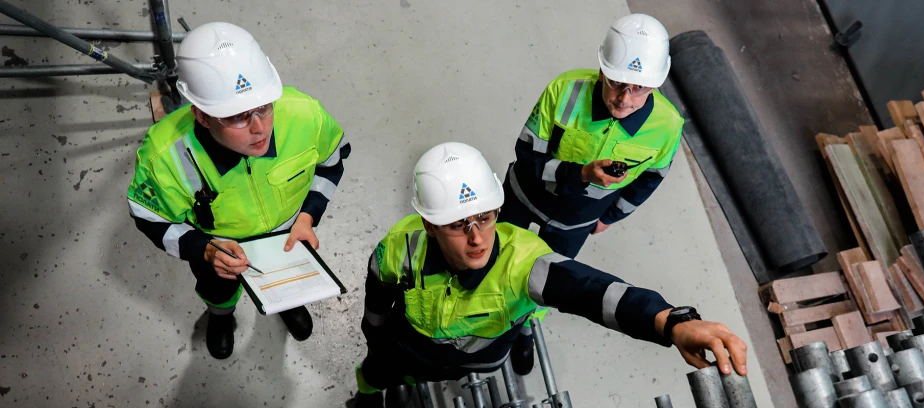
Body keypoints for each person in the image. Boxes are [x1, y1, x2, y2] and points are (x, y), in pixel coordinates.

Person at [352, 142, 746, 407]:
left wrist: (669, 321)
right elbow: (377, 293)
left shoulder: (522, 262)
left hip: (481, 358)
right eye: (458, 224)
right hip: (407, 348)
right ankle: (368, 396)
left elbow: (590, 290)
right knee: (375, 374)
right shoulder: (401, 247)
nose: (477, 238)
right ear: (429, 225)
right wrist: (376, 336)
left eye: (485, 217)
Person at [126, 22, 350, 359]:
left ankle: (286, 301)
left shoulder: (306, 116)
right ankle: (221, 315)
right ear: (202, 116)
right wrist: (205, 250)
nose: (259, 128)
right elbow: (150, 218)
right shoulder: (165, 157)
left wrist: (307, 217)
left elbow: (331, 163)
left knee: (286, 278)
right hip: (219, 251)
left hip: (287, 238)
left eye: (264, 107)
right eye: (237, 117)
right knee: (218, 290)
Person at [499, 13, 683, 374]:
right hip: (522, 198)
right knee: (493, 252)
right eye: (617, 83)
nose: (625, 99)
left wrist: (610, 216)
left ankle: (522, 326)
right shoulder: (564, 90)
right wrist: (580, 173)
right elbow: (527, 156)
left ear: (656, 85)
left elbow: (652, 178)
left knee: (550, 276)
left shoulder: (668, 126)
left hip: (575, 222)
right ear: (601, 70)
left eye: (640, 88)